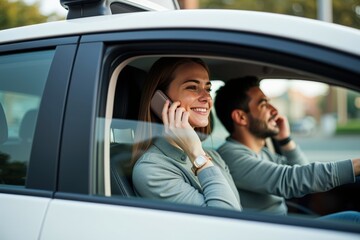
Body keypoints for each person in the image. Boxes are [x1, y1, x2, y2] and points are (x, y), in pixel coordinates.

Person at [214, 76, 360, 222]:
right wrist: (356, 166)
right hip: (270, 233)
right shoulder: (230, 156)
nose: (275, 110)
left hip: (283, 225)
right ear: (241, 117)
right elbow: (290, 180)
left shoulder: (262, 153)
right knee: (354, 220)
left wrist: (285, 140)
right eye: (263, 105)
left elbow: (303, 174)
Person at [131, 57, 241, 211]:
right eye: (192, 87)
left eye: (208, 89)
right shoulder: (152, 169)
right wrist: (196, 153)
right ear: (161, 100)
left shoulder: (213, 157)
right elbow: (228, 220)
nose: (207, 98)